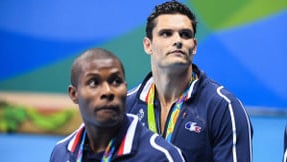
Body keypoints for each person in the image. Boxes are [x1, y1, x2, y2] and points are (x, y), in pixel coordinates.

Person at [126, 1, 253, 161]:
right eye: (166, 33)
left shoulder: (224, 108)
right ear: (148, 45)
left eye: (185, 34)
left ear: (194, 46)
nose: (178, 40)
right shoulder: (126, 108)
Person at [49, 48, 185, 162]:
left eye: (115, 81)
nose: (108, 91)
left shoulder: (160, 157)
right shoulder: (61, 153)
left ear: (125, 88)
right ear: (74, 94)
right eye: (93, 83)